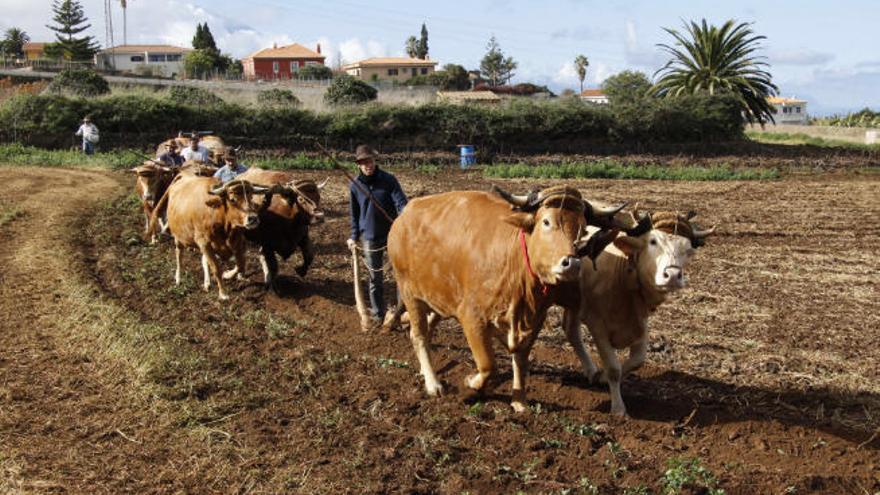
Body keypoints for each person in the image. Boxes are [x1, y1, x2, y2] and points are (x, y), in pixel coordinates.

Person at [347, 144, 408, 328]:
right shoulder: (355, 185)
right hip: (369, 237)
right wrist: (353, 236)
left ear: (375, 161)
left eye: (370, 161)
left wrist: (405, 219)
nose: (368, 165)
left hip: (393, 235)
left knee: (400, 277)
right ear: (358, 165)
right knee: (375, 279)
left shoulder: (389, 180)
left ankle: (400, 313)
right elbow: (354, 214)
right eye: (364, 162)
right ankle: (378, 314)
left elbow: (401, 203)